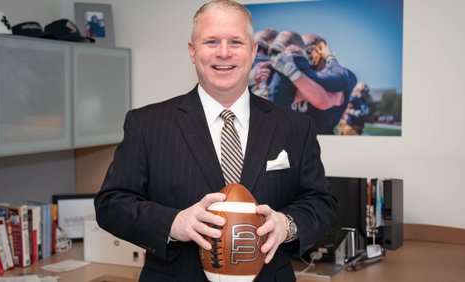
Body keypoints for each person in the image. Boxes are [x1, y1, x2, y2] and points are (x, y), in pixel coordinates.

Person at [94, 1, 338, 281]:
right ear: (192, 51)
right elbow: (111, 204)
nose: (224, 53)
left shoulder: (295, 126)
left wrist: (288, 224)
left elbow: (321, 202)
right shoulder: (147, 123)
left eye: (236, 42)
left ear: (253, 50)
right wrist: (174, 223)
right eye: (211, 41)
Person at [271, 33, 357, 134]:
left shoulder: (344, 75)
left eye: (306, 48)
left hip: (323, 139)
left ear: (321, 49)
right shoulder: (289, 71)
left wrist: (329, 57)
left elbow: (335, 89)